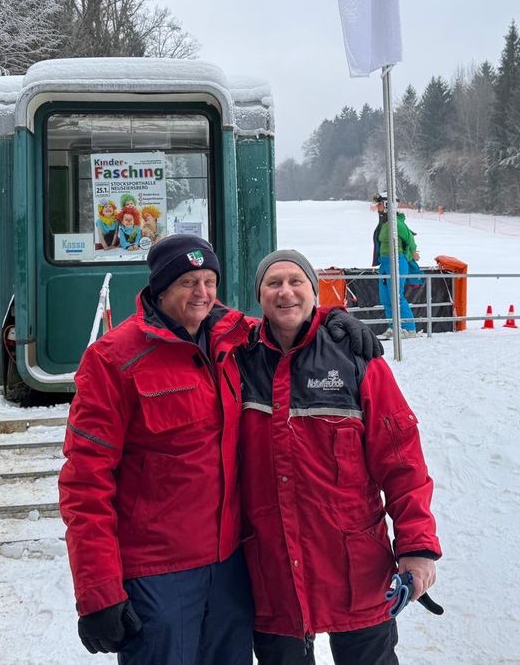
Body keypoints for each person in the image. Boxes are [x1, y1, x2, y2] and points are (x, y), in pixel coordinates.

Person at [58, 235, 381, 665]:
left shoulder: (232, 339)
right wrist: (98, 589)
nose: (203, 293)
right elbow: (84, 482)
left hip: (230, 568)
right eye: (189, 281)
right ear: (159, 288)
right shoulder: (113, 359)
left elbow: (286, 318)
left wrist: (330, 320)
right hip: (159, 573)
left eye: (209, 281)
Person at [236, 249, 442, 665]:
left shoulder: (355, 358)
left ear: (313, 290)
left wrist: (416, 547)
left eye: (296, 281)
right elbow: (198, 313)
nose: (285, 291)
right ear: (258, 296)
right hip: (272, 571)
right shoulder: (239, 360)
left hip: (357, 569)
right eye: (273, 283)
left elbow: (402, 461)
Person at [372, 192, 419, 338]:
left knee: (396, 296)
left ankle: (408, 328)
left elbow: (410, 240)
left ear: (387, 205)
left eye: (379, 204)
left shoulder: (397, 223)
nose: (377, 207)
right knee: (386, 297)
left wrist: (412, 254)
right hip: (385, 262)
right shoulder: (384, 223)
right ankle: (393, 326)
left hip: (397, 260)